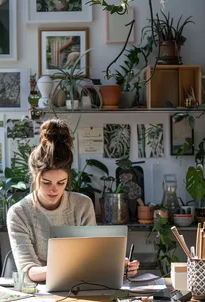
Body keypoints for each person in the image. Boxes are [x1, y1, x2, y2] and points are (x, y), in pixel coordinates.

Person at [7, 118, 140, 283]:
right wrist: (69, 266)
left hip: (79, 288)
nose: (54, 189)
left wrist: (118, 267)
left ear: (68, 178)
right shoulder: (19, 213)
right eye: (46, 182)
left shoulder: (82, 205)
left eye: (61, 183)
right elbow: (28, 271)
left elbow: (93, 257)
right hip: (38, 294)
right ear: (35, 177)